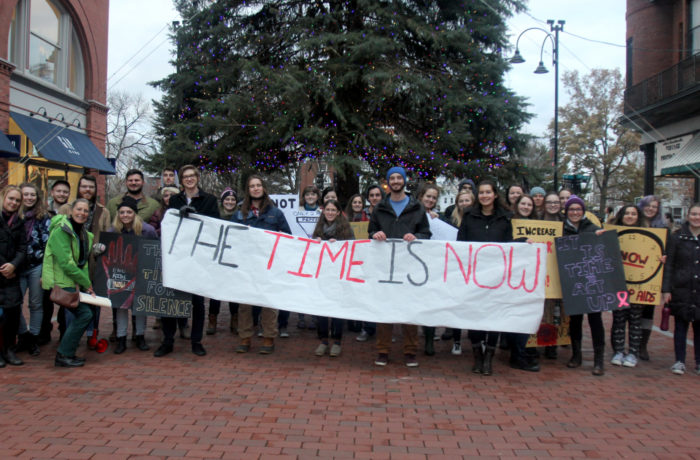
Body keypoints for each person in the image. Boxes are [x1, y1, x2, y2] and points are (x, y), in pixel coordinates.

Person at [458, 180, 528, 375]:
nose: (485, 196)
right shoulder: (469, 216)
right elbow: (460, 244)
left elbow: (508, 245)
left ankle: (489, 356)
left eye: (488, 192)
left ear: (495, 194)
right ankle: (477, 355)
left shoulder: (505, 218)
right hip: (474, 276)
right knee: (474, 316)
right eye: (481, 193)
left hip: (498, 277)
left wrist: (522, 242)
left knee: (494, 316)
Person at [368, 166, 431, 367]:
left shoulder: (416, 206)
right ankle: (383, 350)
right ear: (388, 182)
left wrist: (417, 236)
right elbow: (371, 232)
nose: (395, 181)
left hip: (409, 266)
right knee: (384, 309)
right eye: (392, 178)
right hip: (385, 266)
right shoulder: (380, 208)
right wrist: (375, 235)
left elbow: (426, 233)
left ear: (405, 180)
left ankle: (410, 351)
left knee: (409, 309)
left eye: (399, 178)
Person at [154, 165, 219, 358]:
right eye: (185, 177)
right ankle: (167, 340)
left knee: (197, 302)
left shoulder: (210, 200)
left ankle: (196, 341)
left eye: (192, 176)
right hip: (178, 256)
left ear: (197, 178)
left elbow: (215, 225)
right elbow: (169, 224)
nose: (189, 179)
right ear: (181, 181)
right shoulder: (175, 199)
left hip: (198, 257)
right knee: (170, 299)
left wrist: (196, 216)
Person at [232, 175, 291, 354]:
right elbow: (232, 237)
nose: (256, 188)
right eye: (252, 186)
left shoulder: (276, 213)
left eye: (258, 185)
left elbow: (287, 237)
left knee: (269, 303)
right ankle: (245, 337)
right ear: (248, 190)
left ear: (264, 188)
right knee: (245, 304)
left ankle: (268, 338)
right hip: (247, 265)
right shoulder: (239, 214)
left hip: (268, 265)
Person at [42, 198, 96, 367]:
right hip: (60, 281)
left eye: (86, 211)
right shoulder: (61, 231)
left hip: (74, 281)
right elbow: (66, 263)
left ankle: (66, 353)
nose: (82, 213)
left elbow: (83, 263)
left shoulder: (86, 235)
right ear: (71, 210)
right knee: (85, 314)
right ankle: (63, 354)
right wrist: (86, 283)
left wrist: (88, 287)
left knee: (84, 314)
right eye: (79, 209)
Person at [59, 175, 111, 343]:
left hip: (94, 264)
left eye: (91, 187)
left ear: (95, 190)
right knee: (70, 302)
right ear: (78, 188)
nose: (87, 190)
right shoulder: (66, 209)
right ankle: (68, 336)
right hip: (71, 263)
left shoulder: (103, 211)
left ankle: (92, 335)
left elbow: (107, 237)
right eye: (84, 186)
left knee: (94, 301)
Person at [562, 195, 606, 376]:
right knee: (575, 320)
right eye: (571, 209)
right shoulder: (562, 229)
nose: (574, 213)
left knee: (596, 319)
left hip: (592, 281)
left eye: (578, 209)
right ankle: (576, 355)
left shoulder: (594, 229)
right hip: (572, 281)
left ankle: (598, 360)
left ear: (583, 211)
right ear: (566, 212)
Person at [108, 196, 157, 354]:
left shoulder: (147, 230)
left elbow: (155, 250)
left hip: (141, 272)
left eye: (128, 212)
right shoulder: (113, 230)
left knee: (140, 306)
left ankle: (140, 336)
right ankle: (121, 338)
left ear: (135, 214)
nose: (125, 215)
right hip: (121, 273)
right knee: (121, 306)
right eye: (122, 212)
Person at [311, 199, 355, 357]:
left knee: (337, 309)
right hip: (322, 275)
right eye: (327, 210)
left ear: (338, 212)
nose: (329, 213)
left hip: (338, 276)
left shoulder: (346, 229)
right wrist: (315, 244)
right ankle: (323, 340)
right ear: (324, 211)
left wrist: (339, 245)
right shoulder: (318, 229)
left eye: (332, 210)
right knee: (321, 309)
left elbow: (353, 248)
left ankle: (336, 341)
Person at [662, 202, 700, 375]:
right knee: (680, 326)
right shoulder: (677, 237)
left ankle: (698, 362)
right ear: (687, 216)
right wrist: (667, 289)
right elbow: (669, 264)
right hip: (681, 288)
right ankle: (679, 360)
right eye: (693, 214)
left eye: (699, 214)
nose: (696, 217)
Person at [16, 183, 51, 357]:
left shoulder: (43, 217)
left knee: (36, 304)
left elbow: (48, 245)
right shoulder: (14, 216)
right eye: (25, 194)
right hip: (17, 267)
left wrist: (46, 270)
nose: (29, 198)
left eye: (32, 195)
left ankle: (34, 338)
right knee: (15, 303)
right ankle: (23, 334)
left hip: (37, 265)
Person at [609, 205, 646, 368]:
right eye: (627, 213)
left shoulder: (647, 235)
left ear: (638, 217)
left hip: (639, 284)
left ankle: (633, 353)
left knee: (636, 319)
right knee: (618, 317)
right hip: (617, 282)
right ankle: (618, 351)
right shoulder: (612, 233)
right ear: (621, 216)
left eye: (634, 214)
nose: (630, 216)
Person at [637, 195, 668, 361]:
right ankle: (631, 345)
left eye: (654, 207)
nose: (650, 209)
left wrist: (665, 256)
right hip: (633, 274)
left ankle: (643, 346)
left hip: (651, 278)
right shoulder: (633, 224)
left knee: (647, 313)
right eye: (648, 206)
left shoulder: (663, 229)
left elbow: (668, 251)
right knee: (628, 312)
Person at [0, 185, 27, 367]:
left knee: (13, 315)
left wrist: (14, 265)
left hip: (13, 275)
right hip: (1, 272)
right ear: (3, 197)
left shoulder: (20, 222)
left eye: (17, 200)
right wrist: (4, 266)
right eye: (11, 198)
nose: (14, 203)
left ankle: (9, 350)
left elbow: (23, 248)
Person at [207, 187, 240, 335]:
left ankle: (235, 319)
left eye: (233, 199)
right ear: (222, 200)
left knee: (234, 291)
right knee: (216, 291)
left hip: (234, 258)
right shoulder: (214, 215)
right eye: (227, 199)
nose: (230, 202)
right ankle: (212, 320)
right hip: (217, 258)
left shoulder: (240, 216)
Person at [416, 183, 441, 355]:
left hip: (433, 265)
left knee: (430, 301)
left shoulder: (439, 219)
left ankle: (429, 339)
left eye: (434, 197)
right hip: (415, 264)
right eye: (428, 196)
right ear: (421, 196)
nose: (430, 200)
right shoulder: (412, 213)